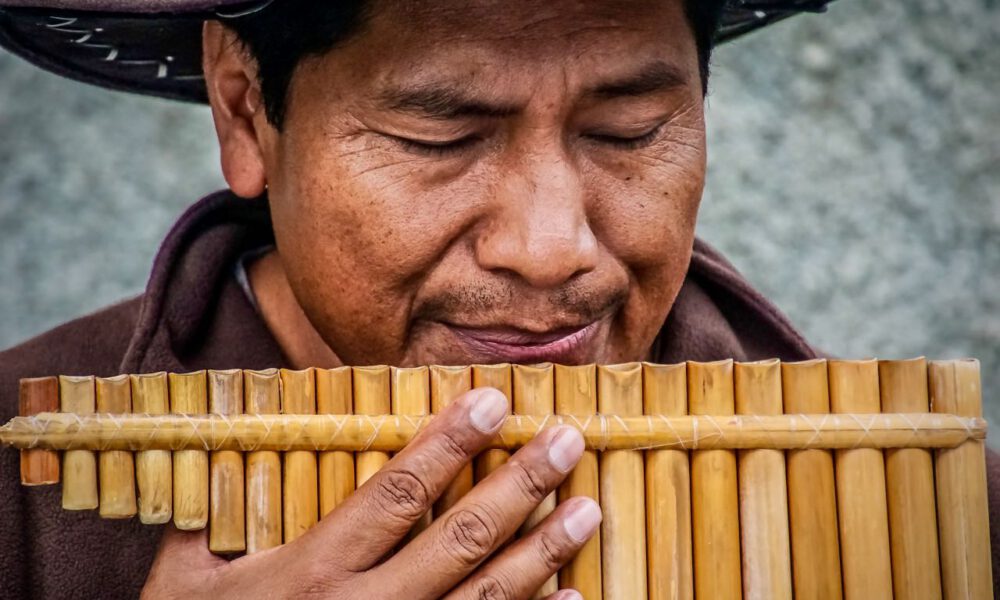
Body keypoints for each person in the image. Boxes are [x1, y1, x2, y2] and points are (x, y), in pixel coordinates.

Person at [0, 0, 994, 598]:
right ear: (246, 107)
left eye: (630, 129)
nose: (548, 248)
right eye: (441, 138)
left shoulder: (943, 522)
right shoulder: (19, 504)